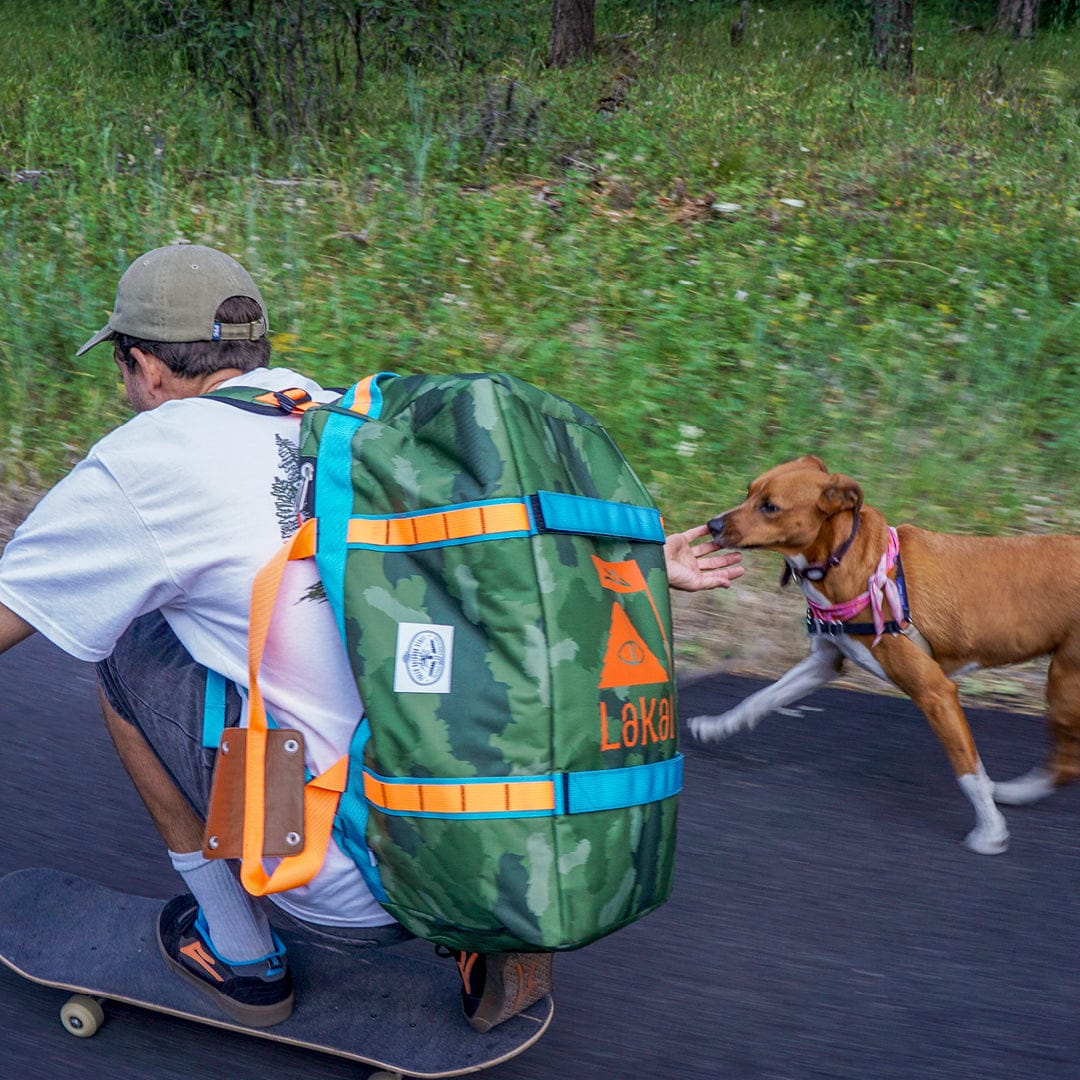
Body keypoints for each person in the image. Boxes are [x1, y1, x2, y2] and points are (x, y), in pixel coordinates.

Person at [0, 242, 744, 1031]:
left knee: (124, 648)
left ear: (148, 366)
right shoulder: (354, 423)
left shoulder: (144, 463)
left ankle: (241, 955)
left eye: (122, 366)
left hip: (342, 867)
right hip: (466, 818)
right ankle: (472, 914)